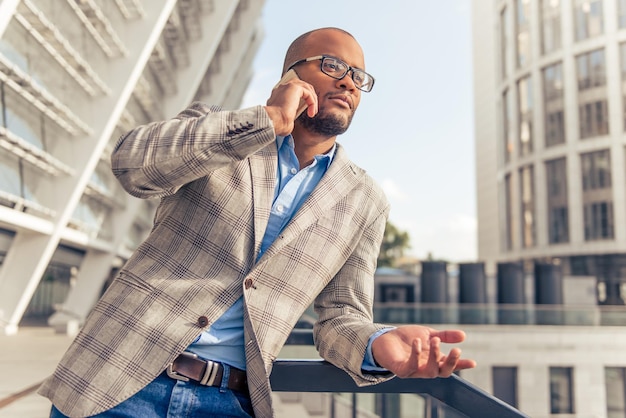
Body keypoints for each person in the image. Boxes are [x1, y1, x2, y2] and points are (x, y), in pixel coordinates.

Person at [39, 27, 476, 418]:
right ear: (291, 75)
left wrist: (377, 345)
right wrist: (267, 120)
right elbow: (132, 165)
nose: (348, 81)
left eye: (359, 77)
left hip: (228, 402)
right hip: (116, 381)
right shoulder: (219, 132)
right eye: (333, 65)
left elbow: (340, 316)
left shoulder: (365, 201)